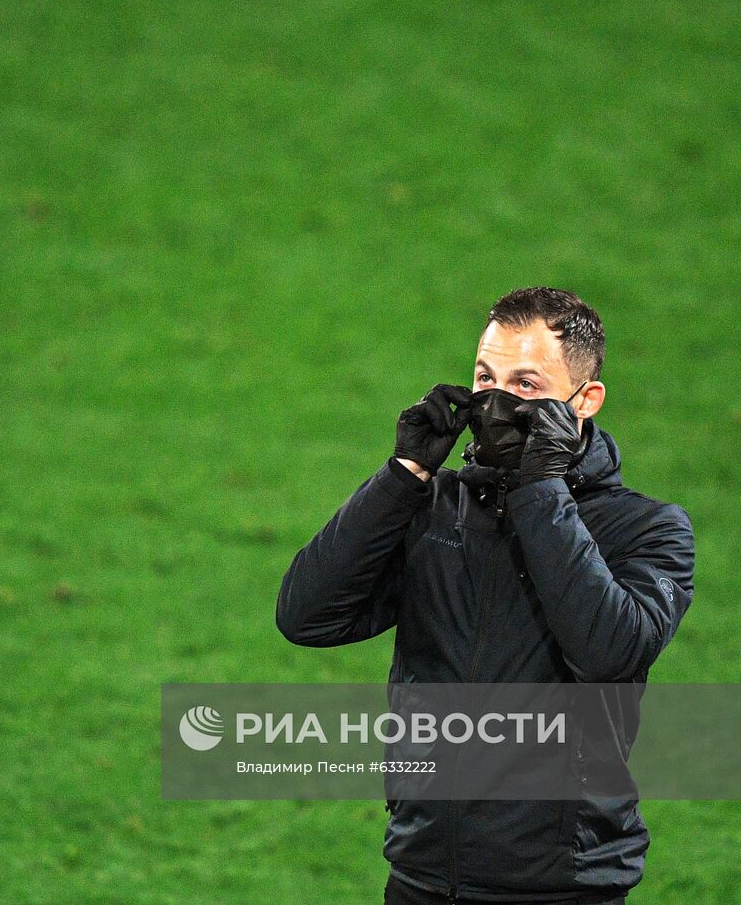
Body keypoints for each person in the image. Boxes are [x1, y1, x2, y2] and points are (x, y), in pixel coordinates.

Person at [276, 288, 696, 904]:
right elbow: (306, 616)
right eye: (484, 378)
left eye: (525, 384)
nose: (496, 403)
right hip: (422, 873)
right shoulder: (435, 510)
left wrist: (539, 489)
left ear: (585, 401)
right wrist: (403, 475)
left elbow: (609, 651)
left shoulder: (646, 529)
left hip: (561, 888)